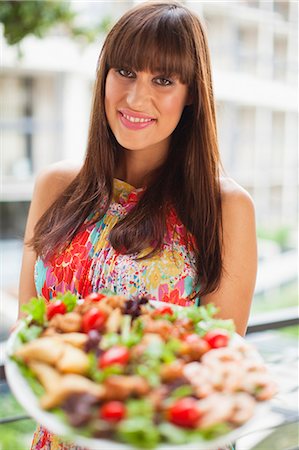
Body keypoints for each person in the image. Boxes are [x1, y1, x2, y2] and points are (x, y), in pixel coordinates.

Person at [18, 1, 257, 449]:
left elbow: (216, 366)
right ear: (104, 75)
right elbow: (26, 335)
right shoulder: (56, 185)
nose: (135, 98)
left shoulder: (225, 206)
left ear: (191, 94)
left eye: (163, 80)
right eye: (124, 71)